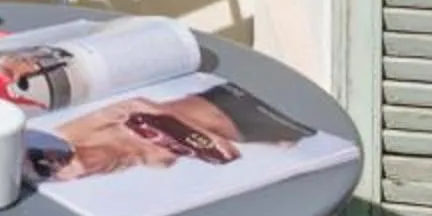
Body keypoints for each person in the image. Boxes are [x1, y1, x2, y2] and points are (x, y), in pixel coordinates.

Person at [28, 81, 311, 184]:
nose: (52, 160)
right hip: (253, 134)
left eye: (43, 156)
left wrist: (203, 135)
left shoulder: (72, 134)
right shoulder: (148, 164)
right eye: (48, 169)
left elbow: (133, 104)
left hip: (224, 102)